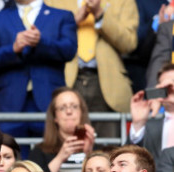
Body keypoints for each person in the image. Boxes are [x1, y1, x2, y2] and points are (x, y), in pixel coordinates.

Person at [0, 0, 77, 140]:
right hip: (10, 102)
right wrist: (13, 49)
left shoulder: (62, 16)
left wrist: (41, 42)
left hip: (48, 100)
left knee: (49, 154)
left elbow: (69, 51)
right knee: (9, 154)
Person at [51, 0, 137, 138]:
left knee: (108, 146)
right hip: (66, 77)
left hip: (107, 81)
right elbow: (45, 40)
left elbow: (129, 44)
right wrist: (73, 22)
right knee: (64, 141)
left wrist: (99, 14)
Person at [28, 87, 96, 172]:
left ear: (81, 112)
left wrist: (89, 154)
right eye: (62, 108)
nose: (69, 112)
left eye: (74, 106)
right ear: (55, 117)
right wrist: (60, 158)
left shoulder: (96, 149)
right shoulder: (40, 150)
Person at [129, 64, 174, 164]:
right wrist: (138, 124)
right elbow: (128, 159)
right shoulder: (148, 127)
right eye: (165, 86)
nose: (170, 88)